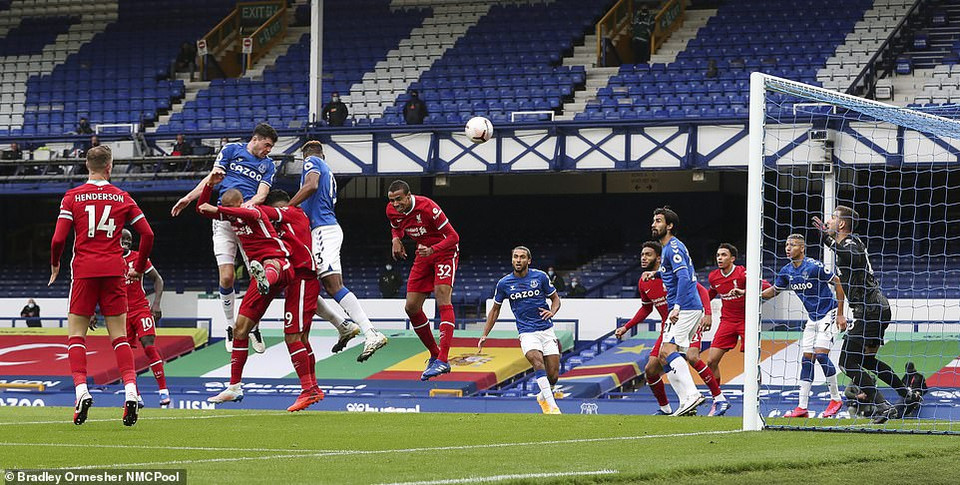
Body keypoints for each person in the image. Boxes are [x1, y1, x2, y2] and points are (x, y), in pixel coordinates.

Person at [49, 145, 154, 426]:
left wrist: (55, 264)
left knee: (76, 336)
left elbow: (58, 239)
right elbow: (147, 234)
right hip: (114, 271)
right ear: (110, 167)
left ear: (87, 165)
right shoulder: (122, 197)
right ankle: (130, 391)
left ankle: (81, 391)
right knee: (119, 337)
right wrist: (137, 266)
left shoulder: (73, 196)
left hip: (84, 271)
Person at [196, 172, 307, 408]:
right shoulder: (231, 217)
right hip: (261, 276)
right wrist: (208, 187)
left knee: (270, 265)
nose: (227, 213)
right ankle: (234, 387)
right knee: (240, 328)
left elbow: (237, 212)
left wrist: (219, 209)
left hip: (281, 264)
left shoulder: (253, 211)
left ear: (239, 203)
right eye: (225, 209)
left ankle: (265, 279)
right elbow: (202, 209)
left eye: (230, 208)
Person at [170, 123, 278, 355]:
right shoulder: (230, 150)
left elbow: (262, 194)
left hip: (247, 221)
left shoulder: (268, 165)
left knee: (258, 278)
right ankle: (230, 326)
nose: (268, 150)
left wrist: (246, 208)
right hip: (223, 219)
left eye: (271, 147)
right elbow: (212, 179)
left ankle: (253, 326)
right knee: (227, 277)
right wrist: (188, 198)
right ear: (256, 139)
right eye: (267, 145)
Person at [814, 206, 922, 422]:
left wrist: (828, 239)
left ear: (841, 224)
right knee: (867, 360)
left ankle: (882, 406)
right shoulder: (846, 246)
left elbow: (853, 257)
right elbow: (844, 275)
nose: (828, 221)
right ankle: (908, 395)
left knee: (846, 362)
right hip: (874, 309)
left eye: (833, 218)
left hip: (871, 310)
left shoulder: (851, 244)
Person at [288, 141, 388, 360]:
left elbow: (311, 186)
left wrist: (288, 208)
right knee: (304, 284)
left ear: (306, 156)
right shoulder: (327, 171)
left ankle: (370, 332)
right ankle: (343, 325)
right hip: (320, 231)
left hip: (323, 230)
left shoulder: (312, 162)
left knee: (333, 284)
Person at [619, 241, 727, 416]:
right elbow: (646, 309)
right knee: (651, 369)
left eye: (648, 254)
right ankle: (669, 408)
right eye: (642, 254)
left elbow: (700, 289)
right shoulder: (644, 281)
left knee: (692, 357)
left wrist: (708, 313)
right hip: (668, 325)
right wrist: (626, 327)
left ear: (659, 258)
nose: (643, 258)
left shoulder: (672, 273)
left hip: (687, 316)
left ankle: (718, 399)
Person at [760, 234, 846, 419]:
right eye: (786, 244)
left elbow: (838, 282)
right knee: (807, 359)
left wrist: (840, 314)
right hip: (812, 318)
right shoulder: (786, 271)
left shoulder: (814, 266)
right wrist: (750, 293)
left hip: (829, 313)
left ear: (802, 248)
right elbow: (774, 291)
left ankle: (836, 399)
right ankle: (802, 407)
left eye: (792, 245)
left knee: (821, 355)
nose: (788, 248)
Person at [386, 179, 460, 380]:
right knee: (411, 307)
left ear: (409, 196)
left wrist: (433, 249)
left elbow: (453, 237)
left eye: (399, 199)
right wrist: (396, 239)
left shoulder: (428, 208)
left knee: (442, 296)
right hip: (423, 254)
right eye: (392, 200)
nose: (395, 204)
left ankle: (443, 360)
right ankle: (435, 354)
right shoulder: (391, 210)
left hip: (444, 251)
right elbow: (396, 227)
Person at [260, 189, 326, 411]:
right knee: (302, 337)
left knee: (292, 336)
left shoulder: (291, 212)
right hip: (299, 281)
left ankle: (307, 389)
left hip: (302, 278)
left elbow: (263, 212)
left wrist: (244, 205)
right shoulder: (290, 219)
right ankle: (313, 387)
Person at [479, 246, 562, 414]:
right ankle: (553, 407)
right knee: (537, 361)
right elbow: (495, 310)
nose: (518, 260)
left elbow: (555, 299)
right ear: (512, 260)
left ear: (528, 260)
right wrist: (485, 334)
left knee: (553, 376)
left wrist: (552, 312)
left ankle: (542, 396)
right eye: (515, 257)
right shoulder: (504, 283)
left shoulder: (540, 277)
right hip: (526, 332)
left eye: (522, 257)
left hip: (546, 330)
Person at [640, 206, 706, 416]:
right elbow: (671, 271)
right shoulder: (669, 248)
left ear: (669, 226)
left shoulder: (673, 247)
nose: (654, 224)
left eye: (658, 221)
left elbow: (684, 277)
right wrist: (656, 274)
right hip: (685, 306)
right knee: (663, 356)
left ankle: (692, 395)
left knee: (668, 351)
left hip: (685, 306)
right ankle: (686, 402)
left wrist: (676, 307)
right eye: (654, 220)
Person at [704, 243, 771, 384]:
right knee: (711, 361)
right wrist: (700, 309)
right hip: (727, 321)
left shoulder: (742, 273)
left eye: (724, 255)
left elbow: (767, 288)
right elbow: (709, 294)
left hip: (747, 321)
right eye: (718, 255)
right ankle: (717, 394)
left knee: (752, 361)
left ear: (732, 258)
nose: (719, 258)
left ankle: (756, 391)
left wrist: (744, 291)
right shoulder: (714, 277)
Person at [119, 229, 169, 407]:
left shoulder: (138, 258)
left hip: (140, 308)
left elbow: (158, 279)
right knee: (124, 353)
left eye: (129, 239)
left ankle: (163, 391)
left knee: (149, 346)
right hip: (120, 314)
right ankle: (135, 395)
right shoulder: (109, 260)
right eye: (123, 238)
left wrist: (156, 304)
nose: (126, 241)